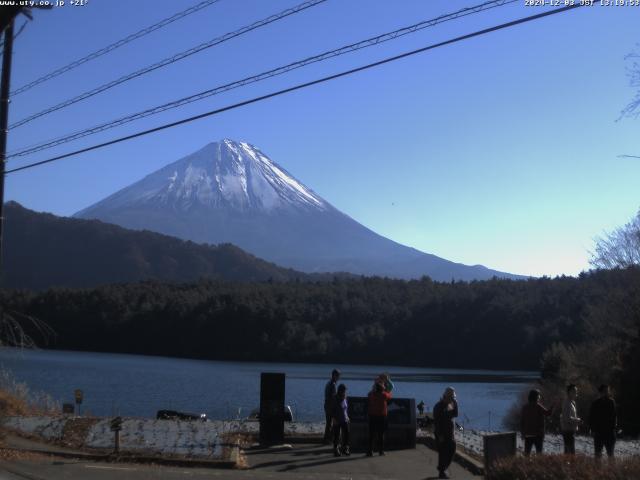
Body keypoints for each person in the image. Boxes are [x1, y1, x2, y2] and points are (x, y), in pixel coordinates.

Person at [433, 387, 458, 480]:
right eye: (451, 398)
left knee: (452, 449)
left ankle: (443, 469)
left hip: (450, 433)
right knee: (443, 452)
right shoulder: (438, 406)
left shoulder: (450, 405)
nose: (452, 399)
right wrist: (440, 435)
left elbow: (455, 414)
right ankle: (442, 471)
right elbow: (437, 422)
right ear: (445, 396)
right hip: (441, 433)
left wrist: (455, 403)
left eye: (453, 398)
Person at [520, 389, 553, 456]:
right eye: (539, 396)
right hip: (538, 434)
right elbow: (548, 413)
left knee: (527, 453)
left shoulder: (525, 407)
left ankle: (525, 465)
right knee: (539, 453)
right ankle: (537, 465)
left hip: (527, 434)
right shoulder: (538, 406)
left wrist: (522, 433)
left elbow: (522, 421)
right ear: (536, 397)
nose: (539, 397)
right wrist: (553, 406)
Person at [589, 384, 617, 459]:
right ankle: (598, 470)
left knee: (610, 454)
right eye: (605, 391)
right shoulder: (595, 403)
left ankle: (611, 470)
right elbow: (591, 418)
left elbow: (614, 417)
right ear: (601, 392)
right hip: (599, 433)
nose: (607, 393)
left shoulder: (611, 402)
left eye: (607, 391)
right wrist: (592, 429)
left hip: (609, 433)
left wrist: (614, 429)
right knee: (598, 455)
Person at [367, 381, 392, 457]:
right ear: (382, 389)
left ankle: (370, 451)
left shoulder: (371, 395)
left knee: (371, 434)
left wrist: (373, 388)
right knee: (381, 434)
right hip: (381, 417)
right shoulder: (384, 395)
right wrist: (385, 388)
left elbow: (368, 394)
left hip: (372, 416)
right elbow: (390, 395)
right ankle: (381, 451)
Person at [560, 384, 582, 455]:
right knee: (570, 453)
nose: (576, 393)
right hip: (568, 431)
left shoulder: (572, 402)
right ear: (569, 392)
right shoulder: (567, 403)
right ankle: (568, 465)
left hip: (570, 430)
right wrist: (578, 420)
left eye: (576, 391)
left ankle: (567, 465)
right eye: (574, 391)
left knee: (568, 452)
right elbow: (567, 418)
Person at [332, 384, 350, 457]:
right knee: (336, 435)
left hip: (344, 419)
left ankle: (345, 448)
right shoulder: (335, 398)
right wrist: (333, 418)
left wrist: (347, 417)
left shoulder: (345, 398)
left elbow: (345, 409)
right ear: (341, 390)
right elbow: (332, 409)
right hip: (337, 419)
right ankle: (336, 450)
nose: (345, 392)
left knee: (346, 434)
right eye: (344, 390)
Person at [324, 369, 340, 443]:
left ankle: (327, 438)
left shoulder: (329, 383)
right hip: (330, 406)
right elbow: (333, 397)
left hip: (327, 405)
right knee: (333, 423)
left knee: (329, 423)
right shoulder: (332, 384)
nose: (338, 378)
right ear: (334, 375)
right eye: (338, 376)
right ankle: (329, 438)